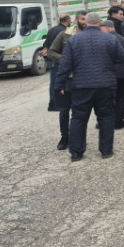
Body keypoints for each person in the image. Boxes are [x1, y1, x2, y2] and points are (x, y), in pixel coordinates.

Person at [55, 12, 124, 161]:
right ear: (100, 23)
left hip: (81, 85)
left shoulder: (74, 40)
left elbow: (65, 64)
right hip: (106, 85)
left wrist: (60, 84)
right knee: (106, 117)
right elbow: (122, 57)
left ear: (85, 23)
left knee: (79, 118)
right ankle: (106, 150)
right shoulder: (110, 39)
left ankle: (76, 152)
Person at [46, 11, 87, 151]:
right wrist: (65, 59)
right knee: (63, 111)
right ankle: (64, 136)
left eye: (86, 19)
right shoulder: (64, 34)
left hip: (82, 80)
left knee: (79, 112)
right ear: (76, 20)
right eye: (82, 19)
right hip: (66, 80)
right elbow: (51, 52)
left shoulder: (90, 36)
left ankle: (77, 138)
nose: (84, 22)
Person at [102, 20, 124, 130]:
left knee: (108, 98)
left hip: (111, 74)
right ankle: (119, 121)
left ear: (108, 28)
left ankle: (107, 120)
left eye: (102, 28)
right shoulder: (123, 39)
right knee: (121, 98)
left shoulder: (106, 40)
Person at [42, 14, 70, 111]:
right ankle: (55, 104)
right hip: (57, 59)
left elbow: (45, 44)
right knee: (57, 82)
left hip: (50, 58)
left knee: (53, 82)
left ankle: (53, 102)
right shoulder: (63, 32)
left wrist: (45, 50)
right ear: (68, 20)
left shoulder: (52, 29)